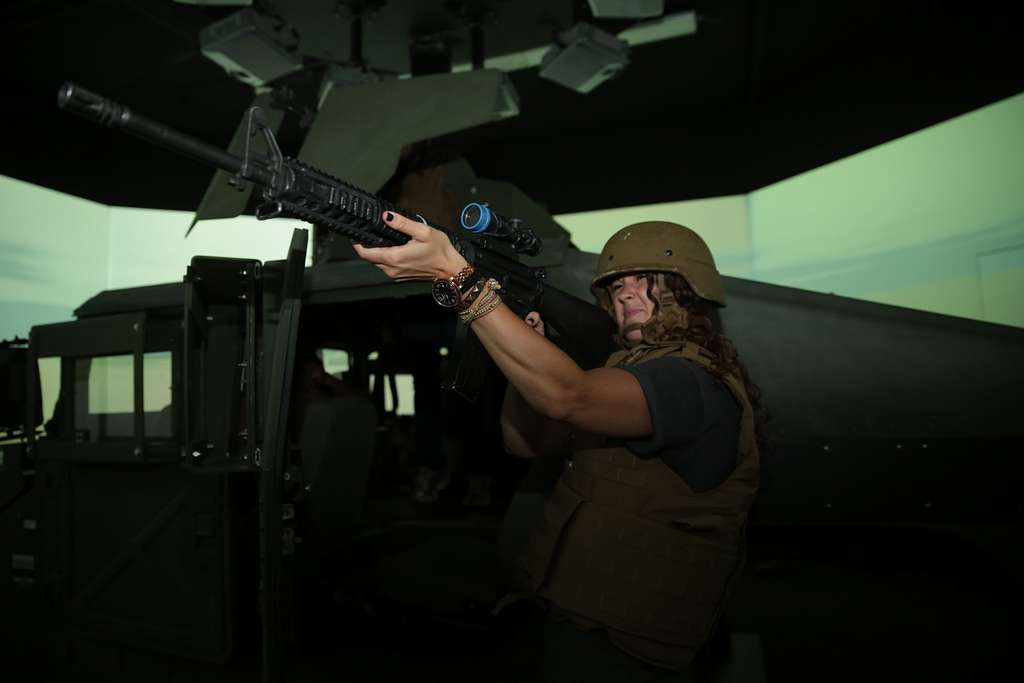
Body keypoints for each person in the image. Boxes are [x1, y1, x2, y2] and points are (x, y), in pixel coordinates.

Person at [353, 214, 766, 679]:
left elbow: (567, 396)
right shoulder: (632, 373)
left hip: (629, 649)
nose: (625, 292)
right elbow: (524, 441)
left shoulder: (689, 381)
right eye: (617, 284)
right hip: (581, 619)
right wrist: (525, 343)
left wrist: (461, 280)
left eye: (647, 282)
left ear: (689, 294)